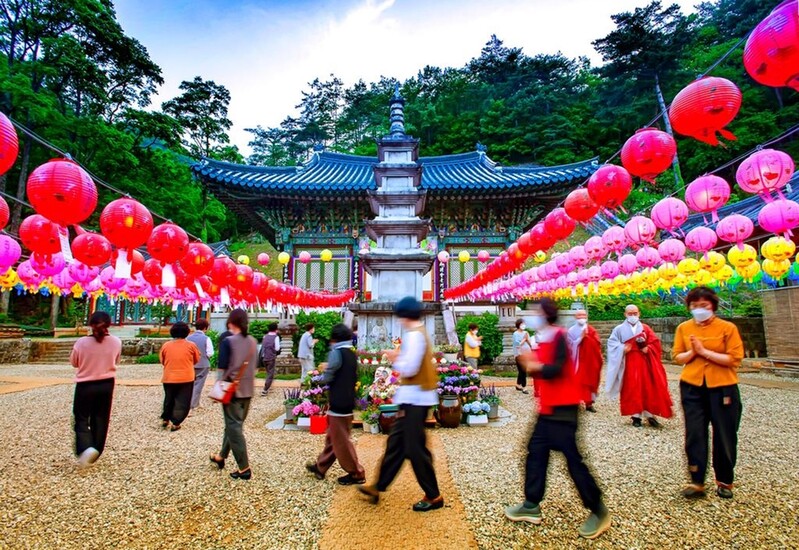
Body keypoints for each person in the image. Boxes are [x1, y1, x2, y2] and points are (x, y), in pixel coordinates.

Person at [505, 299, 610, 540]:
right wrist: (533, 364)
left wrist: (535, 366)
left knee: (573, 460)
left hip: (564, 408)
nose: (532, 316)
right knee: (535, 451)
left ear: (546, 315)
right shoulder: (544, 337)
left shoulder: (560, 336)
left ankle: (598, 509)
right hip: (549, 408)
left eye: (536, 312)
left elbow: (557, 368)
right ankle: (531, 503)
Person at [359, 297, 443, 512]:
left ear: (405, 315)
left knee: (414, 449)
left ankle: (433, 495)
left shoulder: (415, 337)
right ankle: (378, 486)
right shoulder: (418, 334)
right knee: (396, 444)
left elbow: (409, 369)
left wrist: (395, 357)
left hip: (416, 399)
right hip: (413, 398)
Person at [672, 287, 744, 499]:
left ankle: (725, 480)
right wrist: (692, 352)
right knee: (695, 432)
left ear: (713, 305)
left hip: (722, 386)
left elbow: (734, 359)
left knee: (724, 433)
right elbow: (677, 356)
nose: (699, 310)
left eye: (704, 306)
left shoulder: (727, 328)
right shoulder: (684, 328)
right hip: (692, 385)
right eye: (694, 306)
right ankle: (696, 480)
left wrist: (704, 352)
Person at [306, 324, 366, 485]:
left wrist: (319, 375)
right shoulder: (352, 354)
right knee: (333, 437)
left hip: (338, 401)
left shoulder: (337, 353)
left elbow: (328, 377)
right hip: (347, 400)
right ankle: (320, 467)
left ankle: (357, 473)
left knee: (341, 442)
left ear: (335, 339)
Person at [210, 309, 259, 480]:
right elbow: (256, 366)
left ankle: (244, 467)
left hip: (231, 389)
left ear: (231, 322)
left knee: (234, 427)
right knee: (233, 425)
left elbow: (222, 367)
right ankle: (221, 456)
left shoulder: (228, 341)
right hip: (248, 389)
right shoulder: (253, 341)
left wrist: (218, 387)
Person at [605, 305, 673, 427]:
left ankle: (650, 414)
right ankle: (636, 416)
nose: (632, 316)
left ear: (639, 313)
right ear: (625, 314)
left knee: (648, 386)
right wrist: (622, 348)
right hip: (628, 362)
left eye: (635, 313)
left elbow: (655, 343)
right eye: (630, 313)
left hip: (644, 362)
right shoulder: (619, 329)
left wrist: (648, 348)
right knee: (632, 387)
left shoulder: (645, 328)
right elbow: (612, 343)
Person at [70, 311, 121, 468]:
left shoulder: (81, 343)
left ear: (91, 324)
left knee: (82, 417)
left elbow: (74, 362)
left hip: (86, 384)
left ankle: (86, 447)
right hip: (107, 383)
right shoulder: (116, 342)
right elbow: (116, 360)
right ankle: (97, 448)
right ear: (108, 324)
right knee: (101, 417)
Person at [159, 322, 199, 431]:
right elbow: (196, 359)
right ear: (187, 332)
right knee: (183, 400)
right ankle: (176, 422)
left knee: (169, 398)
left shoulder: (166, 345)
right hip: (186, 377)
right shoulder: (191, 345)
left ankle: (165, 418)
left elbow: (162, 360)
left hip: (169, 376)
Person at [567, 310, 603, 412]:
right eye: (579, 315)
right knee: (577, 381)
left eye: (583, 315)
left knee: (590, 380)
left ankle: (589, 403)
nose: (581, 317)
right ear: (575, 316)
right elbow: (569, 346)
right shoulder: (571, 330)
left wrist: (589, 339)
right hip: (577, 361)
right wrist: (581, 338)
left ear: (586, 316)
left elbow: (597, 343)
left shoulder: (591, 329)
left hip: (590, 361)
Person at [187, 318, 214, 411]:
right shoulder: (206, 338)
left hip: (190, 364)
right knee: (199, 384)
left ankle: (188, 401)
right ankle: (194, 403)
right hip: (203, 363)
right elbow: (210, 353)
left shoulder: (188, 338)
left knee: (190, 383)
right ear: (205, 328)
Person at [260, 322, 280, 396]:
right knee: (270, 373)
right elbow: (277, 348)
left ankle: (268, 386)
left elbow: (263, 346)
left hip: (264, 357)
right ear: (276, 329)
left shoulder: (265, 336)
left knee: (268, 372)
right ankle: (265, 389)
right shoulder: (276, 337)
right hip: (271, 357)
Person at [513, 319, 533, 394]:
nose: (523, 325)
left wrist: (528, 340)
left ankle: (518, 385)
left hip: (526, 353)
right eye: (522, 324)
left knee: (522, 371)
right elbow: (517, 345)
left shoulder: (526, 332)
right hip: (519, 354)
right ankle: (524, 387)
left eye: (524, 324)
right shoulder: (515, 334)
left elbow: (529, 342)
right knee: (523, 371)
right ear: (518, 325)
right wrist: (524, 339)